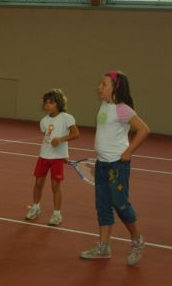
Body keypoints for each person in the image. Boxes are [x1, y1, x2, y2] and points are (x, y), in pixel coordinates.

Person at [80, 70, 150, 266]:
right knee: (102, 206)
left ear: (115, 87)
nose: (99, 87)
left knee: (120, 204)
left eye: (104, 84)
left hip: (117, 166)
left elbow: (144, 129)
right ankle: (103, 247)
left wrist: (128, 152)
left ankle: (137, 241)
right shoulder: (104, 105)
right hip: (102, 164)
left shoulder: (123, 109)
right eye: (100, 84)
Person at [26, 89, 79, 226]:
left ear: (58, 104)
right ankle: (35, 207)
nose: (47, 105)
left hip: (57, 159)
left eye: (51, 103)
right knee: (38, 184)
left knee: (55, 186)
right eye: (45, 103)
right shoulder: (44, 121)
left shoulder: (66, 118)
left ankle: (57, 214)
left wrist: (60, 141)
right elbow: (47, 137)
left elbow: (75, 134)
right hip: (43, 156)